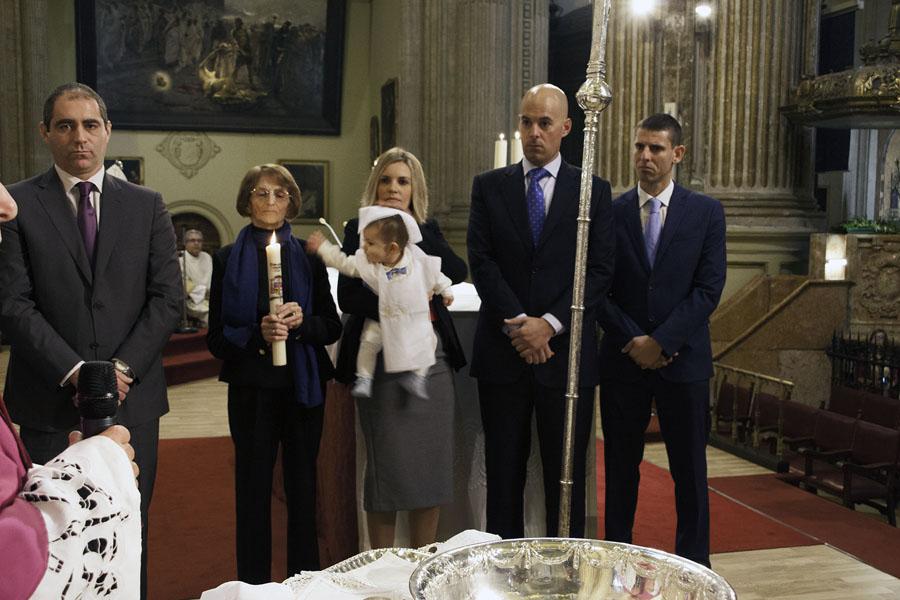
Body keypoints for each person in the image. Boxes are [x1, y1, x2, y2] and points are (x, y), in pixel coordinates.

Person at [0, 82, 183, 599]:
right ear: (45, 133)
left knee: (127, 527)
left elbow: (167, 299)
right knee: (53, 539)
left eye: (90, 125)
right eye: (65, 125)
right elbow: (12, 303)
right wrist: (80, 373)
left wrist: (119, 371)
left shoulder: (147, 205)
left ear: (107, 131)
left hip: (133, 400)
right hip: (49, 400)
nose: (79, 137)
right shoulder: (16, 204)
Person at [467, 83, 615, 539]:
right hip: (504, 352)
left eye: (545, 123)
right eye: (527, 121)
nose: (534, 132)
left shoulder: (592, 191)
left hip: (565, 355)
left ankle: (564, 567)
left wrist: (549, 325)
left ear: (566, 127)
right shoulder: (489, 187)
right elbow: (482, 262)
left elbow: (599, 270)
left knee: (564, 481)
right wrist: (521, 326)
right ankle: (504, 568)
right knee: (503, 478)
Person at [597, 113, 726, 567]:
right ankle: (617, 559)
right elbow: (598, 288)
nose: (645, 156)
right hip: (623, 360)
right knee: (620, 469)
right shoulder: (611, 213)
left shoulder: (705, 213)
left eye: (655, 148)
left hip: (684, 361)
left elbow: (708, 288)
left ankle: (695, 566)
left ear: (677, 154)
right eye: (639, 147)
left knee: (689, 472)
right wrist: (636, 339)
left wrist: (663, 341)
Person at [206, 163, 341, 583]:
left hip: (303, 388)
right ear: (246, 202)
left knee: (303, 489)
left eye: (279, 194)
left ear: (291, 203)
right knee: (252, 490)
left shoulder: (309, 257)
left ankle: (304, 582)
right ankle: (253, 585)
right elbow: (216, 340)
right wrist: (256, 334)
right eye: (261, 193)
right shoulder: (226, 259)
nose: (270, 201)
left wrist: (302, 324)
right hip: (252, 388)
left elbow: (331, 326)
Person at [335, 147, 467, 548]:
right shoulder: (358, 229)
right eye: (386, 180)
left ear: (414, 190)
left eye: (403, 181)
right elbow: (349, 296)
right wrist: (404, 300)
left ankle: (422, 562)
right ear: (375, 186)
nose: (394, 188)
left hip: (431, 363)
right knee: (388, 472)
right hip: (382, 364)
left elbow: (457, 270)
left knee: (430, 468)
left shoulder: (425, 230)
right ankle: (383, 567)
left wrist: (412, 229)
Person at [308, 206, 454, 399]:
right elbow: (344, 263)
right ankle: (364, 377)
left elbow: (435, 274)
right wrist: (323, 248)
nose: (364, 247)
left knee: (428, 340)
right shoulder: (370, 266)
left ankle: (418, 376)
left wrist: (445, 290)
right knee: (368, 341)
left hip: (411, 317)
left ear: (392, 248)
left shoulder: (415, 260)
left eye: (370, 243)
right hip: (384, 316)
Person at [180, 228, 213, 327]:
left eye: (199, 240)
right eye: (192, 240)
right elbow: (184, 284)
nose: (196, 243)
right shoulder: (181, 259)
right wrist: (205, 291)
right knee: (211, 318)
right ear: (185, 243)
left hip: (210, 297)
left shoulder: (206, 257)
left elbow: (212, 277)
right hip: (193, 301)